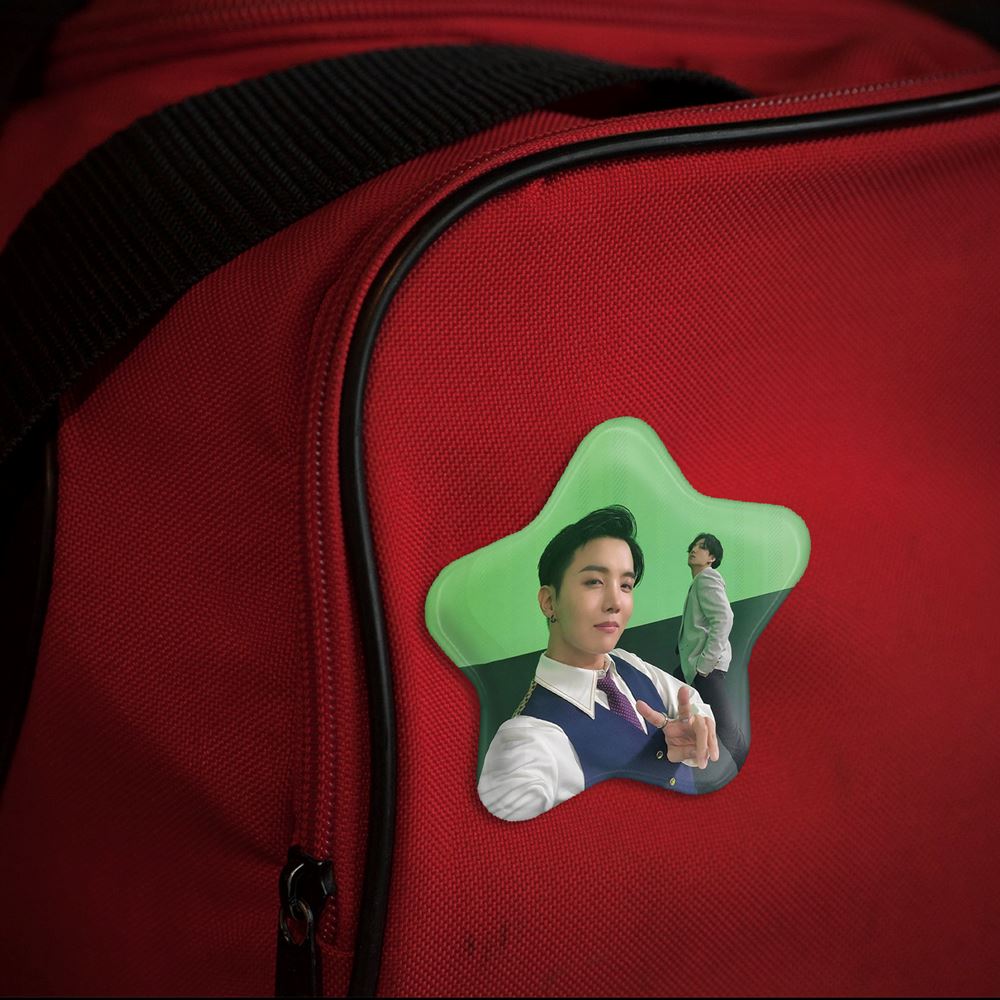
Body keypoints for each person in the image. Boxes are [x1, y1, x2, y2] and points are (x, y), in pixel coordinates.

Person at [477, 506, 719, 822]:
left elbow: (693, 702)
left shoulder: (627, 663)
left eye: (626, 585)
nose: (615, 602)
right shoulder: (528, 739)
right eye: (594, 581)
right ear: (549, 602)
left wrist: (695, 731)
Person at [676, 533, 746, 768]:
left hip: (705, 666)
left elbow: (724, 619)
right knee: (675, 702)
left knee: (726, 727)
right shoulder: (699, 580)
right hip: (692, 664)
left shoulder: (707, 577)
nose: (694, 550)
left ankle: (745, 767)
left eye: (702, 547)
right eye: (693, 546)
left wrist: (704, 665)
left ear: (711, 558)